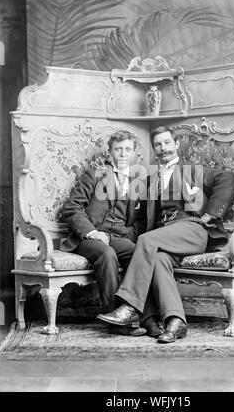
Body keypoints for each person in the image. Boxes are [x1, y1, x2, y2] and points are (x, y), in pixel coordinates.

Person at [97, 126, 234, 343]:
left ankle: (130, 307)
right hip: (164, 236)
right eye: (158, 145)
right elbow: (139, 216)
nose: (163, 148)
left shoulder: (192, 170)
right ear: (154, 149)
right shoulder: (150, 181)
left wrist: (210, 214)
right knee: (159, 260)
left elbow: (228, 179)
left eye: (167, 143)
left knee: (146, 240)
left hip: (192, 229)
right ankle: (176, 322)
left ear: (176, 144)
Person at [61, 130, 147, 336]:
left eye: (128, 150)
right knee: (107, 254)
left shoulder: (139, 182)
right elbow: (71, 208)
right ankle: (116, 321)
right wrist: (91, 232)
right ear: (110, 153)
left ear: (135, 154)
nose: (123, 154)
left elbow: (143, 219)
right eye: (118, 149)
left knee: (141, 254)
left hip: (118, 237)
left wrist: (127, 233)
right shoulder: (94, 175)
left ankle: (143, 315)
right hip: (88, 238)